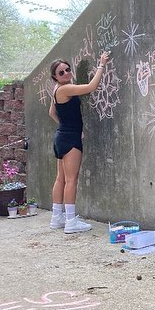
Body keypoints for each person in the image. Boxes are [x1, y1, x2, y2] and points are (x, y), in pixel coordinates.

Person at [48, 51, 110, 234]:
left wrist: (66, 125)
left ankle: (56, 217)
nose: (66, 73)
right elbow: (91, 86)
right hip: (70, 139)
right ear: (55, 77)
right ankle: (71, 221)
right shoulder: (65, 89)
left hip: (61, 137)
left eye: (67, 70)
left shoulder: (56, 90)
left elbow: (52, 113)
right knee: (71, 180)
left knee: (61, 178)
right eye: (61, 72)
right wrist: (101, 64)